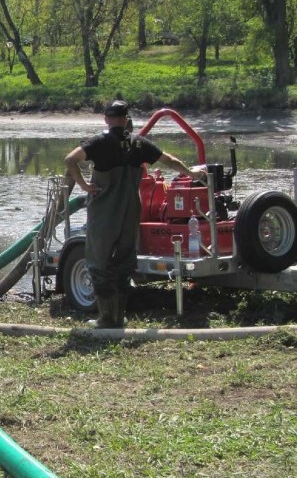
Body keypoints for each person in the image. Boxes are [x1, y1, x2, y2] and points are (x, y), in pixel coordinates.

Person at [64, 100, 207, 328]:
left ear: (107, 119)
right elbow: (169, 160)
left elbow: (70, 160)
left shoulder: (99, 141)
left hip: (104, 213)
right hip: (131, 212)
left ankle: (105, 318)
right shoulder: (140, 144)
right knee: (124, 263)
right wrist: (191, 172)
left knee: (98, 262)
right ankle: (120, 316)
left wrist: (84, 185)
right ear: (126, 119)